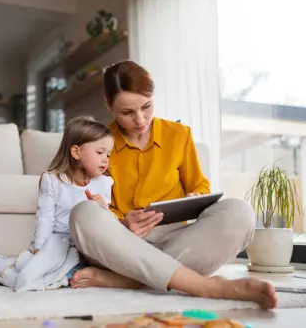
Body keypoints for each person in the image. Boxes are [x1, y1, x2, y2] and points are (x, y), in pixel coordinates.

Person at [68, 60, 277, 310]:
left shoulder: (179, 135)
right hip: (122, 245)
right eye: (127, 113)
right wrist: (121, 222)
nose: (140, 119)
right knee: (83, 213)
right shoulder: (97, 143)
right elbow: (92, 197)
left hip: (177, 239)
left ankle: (129, 280)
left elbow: (199, 186)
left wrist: (193, 197)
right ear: (108, 105)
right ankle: (204, 286)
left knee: (239, 211)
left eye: (147, 106)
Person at [0, 116, 114, 291]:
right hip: (56, 240)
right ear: (76, 152)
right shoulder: (53, 180)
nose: (106, 159)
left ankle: (42, 277)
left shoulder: (104, 183)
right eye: (100, 152)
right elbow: (45, 217)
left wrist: (101, 208)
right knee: (37, 266)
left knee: (69, 268)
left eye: (108, 154)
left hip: (84, 245)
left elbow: (107, 224)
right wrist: (39, 247)